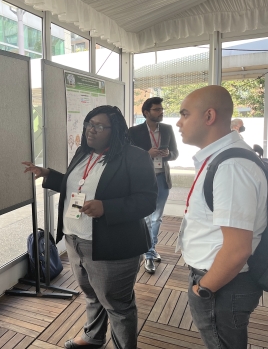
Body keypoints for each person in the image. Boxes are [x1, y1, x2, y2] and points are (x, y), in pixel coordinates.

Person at [23, 105, 157, 349]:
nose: (90, 131)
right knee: (93, 294)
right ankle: (93, 337)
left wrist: (107, 207)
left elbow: (147, 200)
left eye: (98, 126)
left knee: (117, 304)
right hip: (75, 239)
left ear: (114, 130)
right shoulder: (84, 153)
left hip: (113, 244)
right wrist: (47, 174)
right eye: (88, 124)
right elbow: (76, 183)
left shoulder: (135, 157)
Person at [176, 85, 266, 349]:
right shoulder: (221, 158)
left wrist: (203, 289)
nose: (179, 123)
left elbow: (238, 249)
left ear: (209, 116)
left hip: (222, 285)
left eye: (184, 114)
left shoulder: (231, 167)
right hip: (222, 281)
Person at [129, 97, 179, 274]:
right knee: (146, 218)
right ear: (146, 113)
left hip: (161, 178)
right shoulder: (134, 131)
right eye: (157, 109)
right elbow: (128, 155)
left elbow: (175, 154)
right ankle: (148, 253)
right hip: (142, 180)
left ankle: (150, 251)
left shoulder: (167, 129)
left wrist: (167, 154)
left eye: (161, 109)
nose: (161, 112)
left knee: (157, 217)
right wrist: (146, 153)